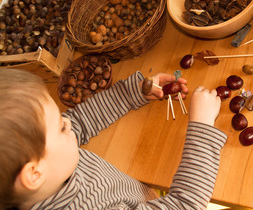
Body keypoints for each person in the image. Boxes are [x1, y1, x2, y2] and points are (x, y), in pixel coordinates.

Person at [0, 68, 227, 210]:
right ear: (34, 174)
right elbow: (184, 204)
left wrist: (133, 93)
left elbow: (81, 119)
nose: (67, 121)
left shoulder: (49, 167)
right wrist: (202, 125)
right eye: (60, 127)